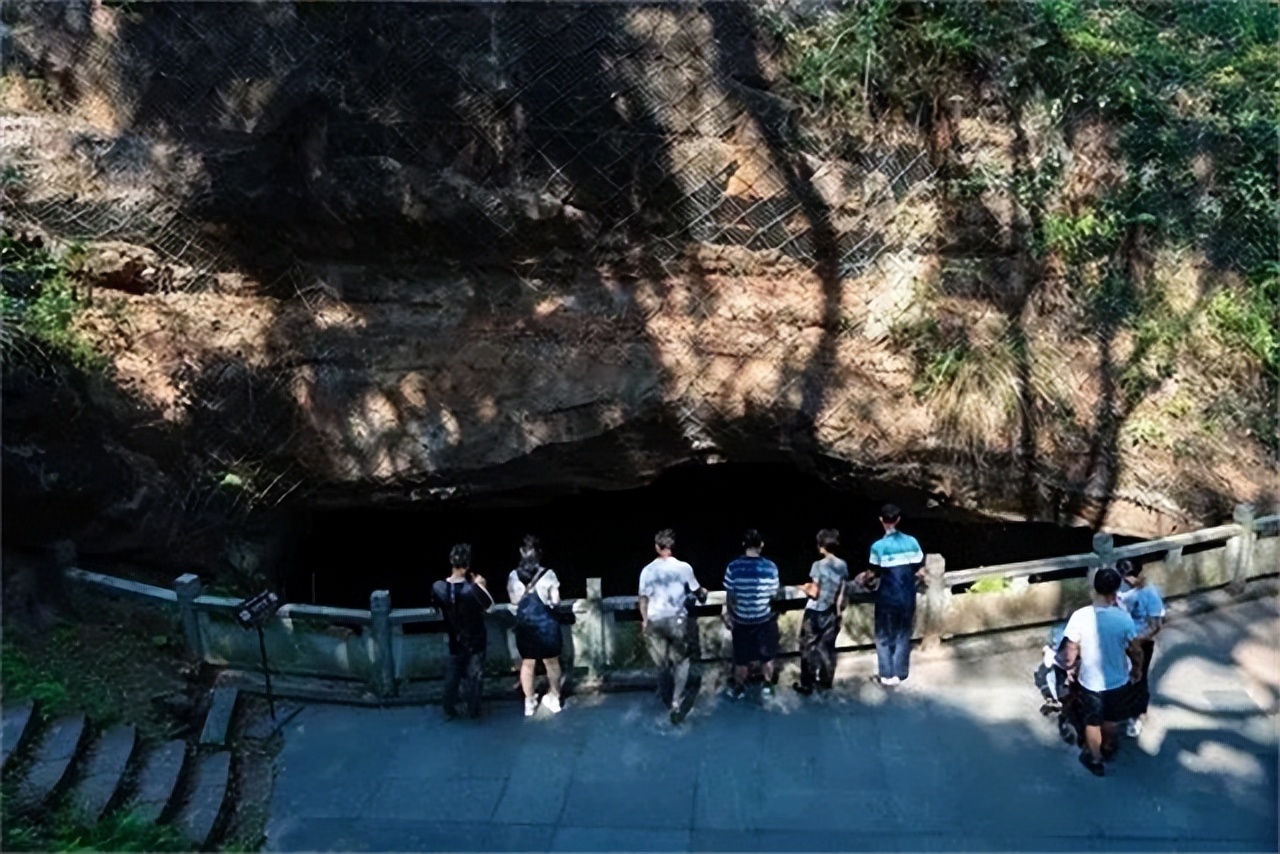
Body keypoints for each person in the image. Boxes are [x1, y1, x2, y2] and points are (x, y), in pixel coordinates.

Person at [1061, 567, 1144, 777]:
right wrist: (1137, 669)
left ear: (1094, 589)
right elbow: (1135, 649)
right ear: (1116, 591)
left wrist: (1070, 667)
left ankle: (1096, 759)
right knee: (1111, 719)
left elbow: (1070, 649)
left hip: (1090, 682)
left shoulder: (1080, 617)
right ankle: (1108, 747)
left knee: (1092, 721)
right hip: (1118, 680)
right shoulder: (1123, 619)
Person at [638, 529, 708, 725]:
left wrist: (644, 620)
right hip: (677, 619)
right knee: (682, 661)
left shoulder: (647, 570)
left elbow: (642, 598)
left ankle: (666, 698)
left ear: (656, 547)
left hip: (655, 619)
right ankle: (677, 700)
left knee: (662, 664)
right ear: (672, 547)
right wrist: (704, 593)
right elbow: (697, 590)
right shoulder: (683, 568)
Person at [857, 504, 924, 687]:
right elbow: (919, 568)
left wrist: (862, 580)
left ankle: (886, 673)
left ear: (881, 520)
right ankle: (900, 673)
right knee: (903, 633)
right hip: (907, 594)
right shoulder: (911, 541)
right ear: (898, 520)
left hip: (887, 595)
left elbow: (873, 573)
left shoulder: (878, 546)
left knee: (883, 635)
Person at [431, 543, 494, 719]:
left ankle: (449, 708)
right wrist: (482, 585)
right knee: (474, 676)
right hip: (475, 638)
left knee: (453, 674)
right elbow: (489, 607)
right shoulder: (473, 590)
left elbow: (435, 607)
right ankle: (473, 709)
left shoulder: (438, 587)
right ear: (467, 566)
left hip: (453, 637)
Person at [508, 535, 564, 716]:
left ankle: (529, 701)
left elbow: (514, 600)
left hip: (525, 626)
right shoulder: (548, 574)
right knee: (552, 662)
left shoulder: (513, 576)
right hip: (546, 625)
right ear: (539, 554)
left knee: (527, 664)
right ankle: (554, 697)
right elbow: (555, 601)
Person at [722, 529, 781, 701]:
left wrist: (730, 615)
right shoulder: (770, 567)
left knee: (741, 658)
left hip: (741, 620)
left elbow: (731, 597)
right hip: (764, 619)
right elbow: (774, 595)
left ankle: (740, 687)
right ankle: (767, 686)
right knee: (767, 656)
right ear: (761, 545)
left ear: (743, 545)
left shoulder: (733, 567)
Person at [794, 528, 848, 696]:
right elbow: (841, 591)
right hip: (831, 611)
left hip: (815, 612)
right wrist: (838, 612)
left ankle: (807, 684)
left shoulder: (817, 566)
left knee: (808, 647)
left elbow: (814, 592)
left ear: (821, 546)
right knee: (827, 648)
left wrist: (803, 587)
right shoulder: (842, 565)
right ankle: (825, 682)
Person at [1117, 559, 1165, 737]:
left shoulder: (1150, 594)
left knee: (1138, 678)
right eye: (1125, 576)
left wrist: (1137, 641)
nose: (1128, 580)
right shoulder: (1121, 589)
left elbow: (1156, 625)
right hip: (1121, 640)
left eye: (1130, 576)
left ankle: (1136, 716)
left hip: (1140, 643)